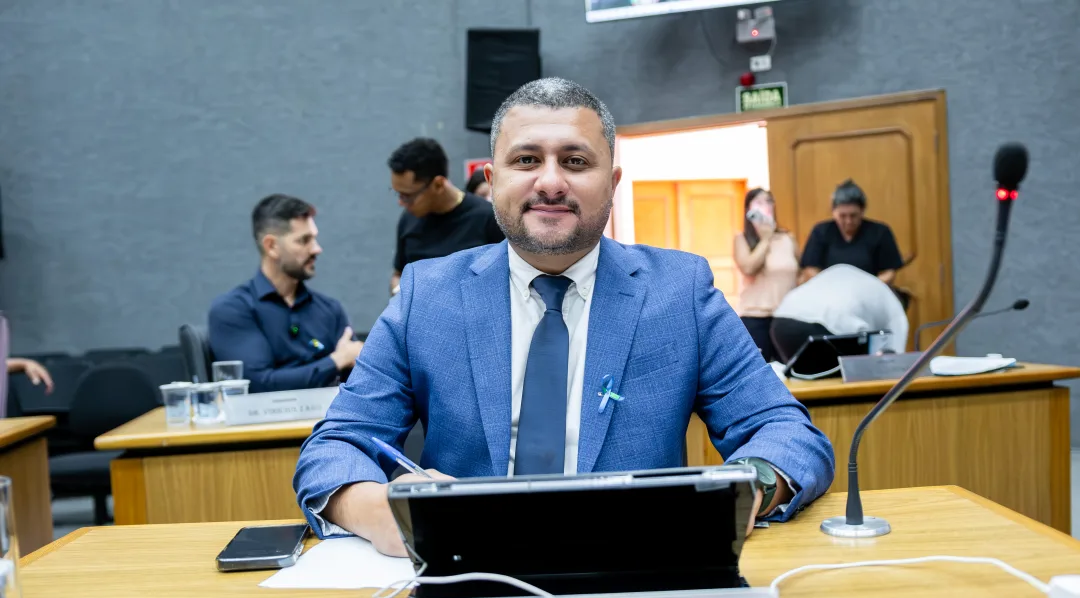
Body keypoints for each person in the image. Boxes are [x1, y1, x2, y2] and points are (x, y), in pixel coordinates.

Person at [294, 77, 833, 557]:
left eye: (575, 162)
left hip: (639, 569)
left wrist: (746, 487)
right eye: (527, 161)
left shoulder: (679, 292)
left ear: (613, 183)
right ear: (492, 179)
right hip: (466, 574)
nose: (550, 182)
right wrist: (379, 509)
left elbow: (785, 431)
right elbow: (335, 446)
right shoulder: (426, 296)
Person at [208, 195, 363, 394]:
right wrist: (336, 360)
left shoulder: (330, 310)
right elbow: (258, 385)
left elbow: (359, 383)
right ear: (271, 246)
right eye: (304, 240)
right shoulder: (234, 309)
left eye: (314, 238)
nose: (316, 249)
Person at [389, 138, 504, 294]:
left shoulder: (488, 218)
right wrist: (400, 293)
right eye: (398, 194)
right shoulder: (409, 218)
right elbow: (398, 274)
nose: (401, 202)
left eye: (408, 196)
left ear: (438, 184)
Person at [771, 264, 909, 362]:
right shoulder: (893, 303)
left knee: (801, 380)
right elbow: (896, 355)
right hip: (820, 326)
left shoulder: (859, 278)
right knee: (840, 378)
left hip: (781, 320)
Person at [734, 188, 799, 362]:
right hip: (755, 317)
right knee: (760, 368)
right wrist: (765, 238)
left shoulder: (787, 238)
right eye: (759, 202)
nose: (765, 206)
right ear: (749, 209)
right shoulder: (742, 238)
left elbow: (800, 273)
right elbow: (748, 268)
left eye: (769, 201)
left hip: (786, 316)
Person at [799, 180, 903, 285]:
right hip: (829, 291)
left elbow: (889, 272)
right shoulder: (820, 232)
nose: (848, 221)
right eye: (842, 216)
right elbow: (810, 269)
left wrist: (869, 287)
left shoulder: (880, 232)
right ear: (833, 212)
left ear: (862, 211)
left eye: (853, 215)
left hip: (869, 290)